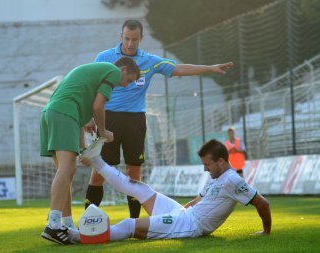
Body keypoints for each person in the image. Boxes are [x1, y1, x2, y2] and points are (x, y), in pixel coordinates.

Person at [85, 19, 235, 219]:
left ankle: (135, 223)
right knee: (99, 173)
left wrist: (209, 67)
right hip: (108, 118)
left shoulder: (149, 60)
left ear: (141, 39)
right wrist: (90, 117)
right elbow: (92, 87)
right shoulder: (104, 57)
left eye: (135, 40)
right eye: (127, 38)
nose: (130, 44)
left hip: (135, 121)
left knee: (134, 174)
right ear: (121, 36)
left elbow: (179, 68)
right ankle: (87, 219)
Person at [67, 138, 271, 244]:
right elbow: (198, 201)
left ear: (221, 161)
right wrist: (175, 213)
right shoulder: (215, 176)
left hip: (191, 226)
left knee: (131, 225)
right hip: (184, 215)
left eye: (207, 164)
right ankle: (96, 159)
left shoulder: (234, 180)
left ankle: (79, 237)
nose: (204, 169)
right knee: (141, 189)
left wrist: (266, 231)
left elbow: (262, 203)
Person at [40, 56, 140, 245]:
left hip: (51, 113)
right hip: (63, 113)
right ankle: (52, 224)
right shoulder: (113, 71)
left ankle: (67, 226)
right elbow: (98, 106)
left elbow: (79, 119)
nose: (126, 86)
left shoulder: (91, 79)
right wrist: (103, 132)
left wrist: (83, 149)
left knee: (68, 171)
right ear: (124, 70)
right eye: (129, 81)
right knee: (66, 169)